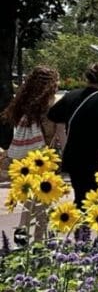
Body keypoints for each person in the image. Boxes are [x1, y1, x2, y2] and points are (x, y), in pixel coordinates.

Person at [46, 61, 98, 207]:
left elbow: (53, 115)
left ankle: (82, 228)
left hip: (76, 157)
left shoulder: (72, 96)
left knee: (82, 199)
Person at [3, 66, 63, 242]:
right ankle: (39, 242)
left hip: (24, 161)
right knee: (43, 203)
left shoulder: (24, 105)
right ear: (50, 85)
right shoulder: (52, 107)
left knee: (29, 201)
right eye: (56, 81)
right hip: (44, 160)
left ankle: (21, 234)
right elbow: (59, 133)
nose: (58, 84)